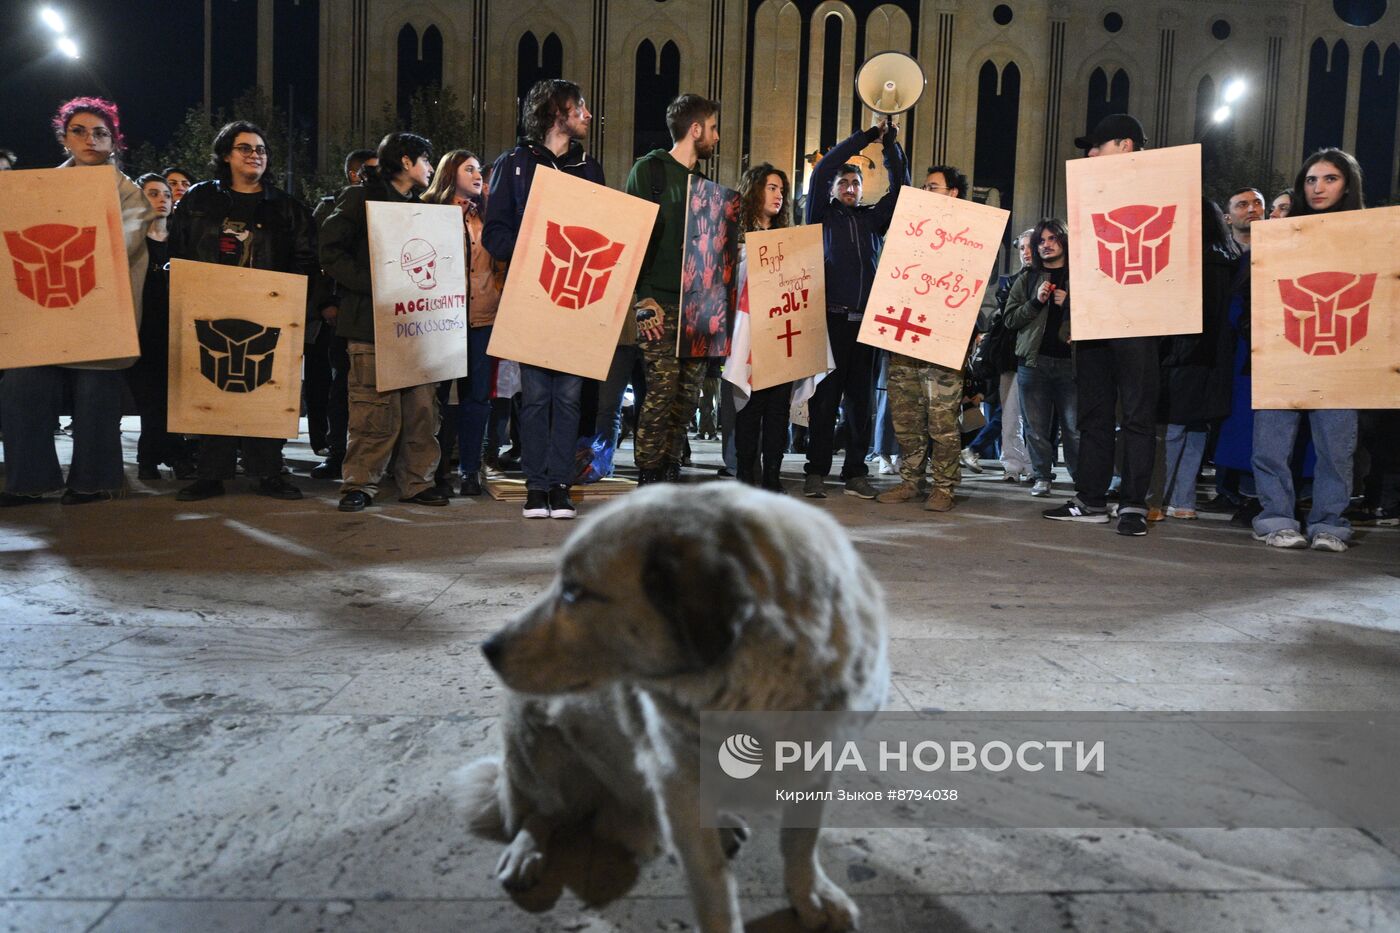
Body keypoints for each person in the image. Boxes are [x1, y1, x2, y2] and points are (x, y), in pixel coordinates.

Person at [1, 98, 152, 507]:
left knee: (95, 399)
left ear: (113, 141)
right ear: (64, 138)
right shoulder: (36, 188)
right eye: (79, 130)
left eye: (100, 131)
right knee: (21, 388)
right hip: (40, 311)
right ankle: (27, 481)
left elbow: (121, 245)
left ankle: (94, 482)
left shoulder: (129, 193)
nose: (90, 138)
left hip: (99, 310)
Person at [168, 120, 321, 503]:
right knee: (212, 385)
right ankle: (210, 473)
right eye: (245, 148)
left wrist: (290, 303)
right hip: (208, 309)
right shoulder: (199, 201)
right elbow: (180, 250)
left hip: (267, 312)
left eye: (261, 149)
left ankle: (269, 470)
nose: (255, 155)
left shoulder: (286, 208)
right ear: (225, 155)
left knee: (264, 387)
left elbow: (305, 260)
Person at [484, 79, 605, 519]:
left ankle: (560, 485)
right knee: (535, 397)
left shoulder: (590, 168)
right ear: (558, 111)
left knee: (570, 397)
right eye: (582, 107)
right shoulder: (513, 164)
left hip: (577, 297)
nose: (588, 115)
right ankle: (536, 487)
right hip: (532, 297)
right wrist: (536, 245)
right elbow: (495, 234)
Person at [1042, 113, 1158, 536]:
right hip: (1093, 322)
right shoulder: (1091, 196)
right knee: (1093, 416)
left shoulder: (1164, 187)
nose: (1090, 153)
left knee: (1138, 418)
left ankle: (1133, 505)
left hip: (1140, 321)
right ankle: (1091, 498)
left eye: (1098, 146)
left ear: (1125, 146)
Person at [320, 132, 448, 512]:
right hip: (369, 326)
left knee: (422, 409)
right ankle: (359, 484)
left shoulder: (421, 207)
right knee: (373, 409)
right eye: (425, 160)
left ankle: (418, 481)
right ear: (406, 162)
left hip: (416, 327)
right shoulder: (361, 199)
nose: (429, 167)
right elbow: (329, 250)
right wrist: (372, 285)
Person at [1251, 148, 1367, 552]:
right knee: (1271, 445)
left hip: (1343, 352)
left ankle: (1330, 523)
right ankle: (1276, 519)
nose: (1318, 188)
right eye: (1311, 180)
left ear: (1348, 184)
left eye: (1330, 178)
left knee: (1336, 448)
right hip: (1284, 350)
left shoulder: (1368, 234)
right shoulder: (1282, 234)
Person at [802, 118, 908, 499]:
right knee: (825, 401)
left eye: (856, 183)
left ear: (863, 190)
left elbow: (902, 191)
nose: (849, 187)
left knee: (860, 404)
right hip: (830, 320)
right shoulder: (821, 215)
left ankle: (855, 472)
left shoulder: (871, 221)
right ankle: (816, 471)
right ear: (833, 189)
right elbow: (825, 168)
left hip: (867, 327)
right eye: (844, 183)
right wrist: (864, 138)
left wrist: (891, 146)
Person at [624, 94, 721, 487]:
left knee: (688, 396)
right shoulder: (650, 172)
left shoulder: (707, 187)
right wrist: (643, 297)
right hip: (659, 300)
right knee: (661, 391)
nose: (716, 136)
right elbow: (633, 238)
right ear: (694, 129)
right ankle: (649, 473)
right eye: (713, 128)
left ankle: (670, 467)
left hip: (699, 306)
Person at [876, 165, 973, 513]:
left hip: (944, 341)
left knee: (943, 420)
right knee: (906, 416)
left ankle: (944, 486)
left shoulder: (971, 234)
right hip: (906, 336)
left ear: (952, 194)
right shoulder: (910, 229)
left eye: (932, 187)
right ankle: (910, 481)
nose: (924, 191)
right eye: (924, 186)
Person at [423, 149, 502, 496]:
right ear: (449, 174)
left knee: (477, 398)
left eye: (478, 170)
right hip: (441, 317)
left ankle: (471, 470)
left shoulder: (489, 215)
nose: (477, 174)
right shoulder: (430, 211)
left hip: (483, 317)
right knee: (435, 397)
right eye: (468, 169)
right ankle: (433, 471)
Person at [1157, 201, 1238, 519]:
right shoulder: (1230, 261)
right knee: (1196, 429)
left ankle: (1159, 500)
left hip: (1184, 356)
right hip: (1217, 359)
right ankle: (1185, 501)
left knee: (1172, 430)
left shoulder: (1190, 262)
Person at [306, 149, 377, 480]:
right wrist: (325, 302)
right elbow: (320, 258)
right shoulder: (335, 205)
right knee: (340, 385)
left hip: (374, 311)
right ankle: (336, 450)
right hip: (343, 308)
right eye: (374, 171)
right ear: (356, 174)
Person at [727, 163, 792, 491]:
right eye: (771, 187)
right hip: (748, 335)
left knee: (778, 411)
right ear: (754, 190)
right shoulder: (734, 236)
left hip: (781, 337)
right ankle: (744, 476)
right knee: (750, 408)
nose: (779, 195)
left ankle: (772, 476)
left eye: (781, 190)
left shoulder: (789, 240)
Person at [126, 173, 194, 481]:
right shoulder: (132, 243)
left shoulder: (182, 243)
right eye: (154, 194)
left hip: (177, 333)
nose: (163, 199)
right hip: (142, 333)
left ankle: (158, 457)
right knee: (150, 400)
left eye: (166, 194)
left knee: (174, 400)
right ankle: (157, 458)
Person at [1005, 218, 1079, 498]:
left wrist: (1069, 302)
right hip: (1033, 364)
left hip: (1071, 363)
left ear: (1064, 240)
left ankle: (1081, 479)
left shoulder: (1079, 276)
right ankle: (1042, 476)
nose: (1046, 245)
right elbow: (1010, 320)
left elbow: (1098, 315)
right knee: (1035, 428)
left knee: (1073, 428)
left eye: (1052, 239)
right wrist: (1035, 302)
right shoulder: (1028, 278)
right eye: (1041, 241)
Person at [1225, 187, 1264, 254]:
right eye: (1243, 205)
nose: (1252, 209)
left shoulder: (1280, 244)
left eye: (1258, 203)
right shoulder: (1215, 251)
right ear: (1228, 218)